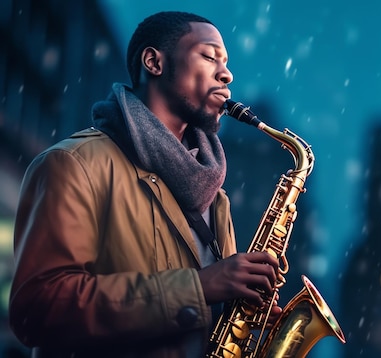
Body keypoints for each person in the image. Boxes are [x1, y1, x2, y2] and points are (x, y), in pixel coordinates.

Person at [9, 11, 282, 358]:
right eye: (209, 56)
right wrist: (201, 287)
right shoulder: (73, 164)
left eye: (226, 62)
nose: (226, 73)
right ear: (153, 62)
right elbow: (38, 309)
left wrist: (238, 313)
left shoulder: (216, 199)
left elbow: (198, 317)